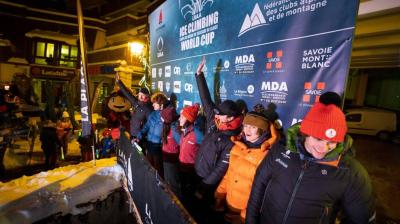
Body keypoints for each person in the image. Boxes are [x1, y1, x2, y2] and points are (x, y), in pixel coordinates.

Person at [245, 101, 375, 224]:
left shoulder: (350, 171)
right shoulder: (281, 148)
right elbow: (259, 184)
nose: (323, 148)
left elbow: (362, 219)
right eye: (318, 139)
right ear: (305, 133)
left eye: (332, 142)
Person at [194, 57, 244, 201]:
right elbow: (206, 100)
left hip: (207, 182)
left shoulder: (233, 138)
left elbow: (220, 168)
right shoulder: (214, 120)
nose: (217, 116)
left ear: (230, 117)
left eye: (221, 115)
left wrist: (205, 185)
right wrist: (199, 75)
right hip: (197, 170)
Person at [214, 111, 278, 223]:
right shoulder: (237, 147)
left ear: (263, 131)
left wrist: (244, 217)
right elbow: (228, 175)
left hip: (244, 214)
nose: (247, 130)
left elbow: (263, 193)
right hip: (228, 204)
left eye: (253, 127)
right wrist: (220, 195)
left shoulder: (266, 157)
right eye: (246, 125)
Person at [175, 104, 204, 202]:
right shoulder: (184, 130)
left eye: (182, 117)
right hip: (182, 167)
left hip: (191, 171)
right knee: (183, 191)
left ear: (188, 119)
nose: (179, 119)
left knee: (189, 196)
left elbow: (205, 149)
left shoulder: (197, 134)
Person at [137, 92, 169, 177]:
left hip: (158, 147)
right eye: (153, 103)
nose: (153, 105)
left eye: (155, 103)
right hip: (149, 145)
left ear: (161, 103)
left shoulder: (166, 116)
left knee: (158, 171)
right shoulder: (153, 114)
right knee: (149, 168)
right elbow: (146, 126)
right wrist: (140, 135)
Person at [116, 73, 153, 141]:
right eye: (140, 94)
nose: (141, 96)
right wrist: (119, 82)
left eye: (143, 95)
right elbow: (127, 93)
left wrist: (141, 136)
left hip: (140, 137)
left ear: (147, 97)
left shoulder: (148, 108)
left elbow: (149, 124)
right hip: (132, 133)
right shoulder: (136, 102)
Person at [160, 106, 181, 198]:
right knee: (168, 179)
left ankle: (177, 201)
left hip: (172, 159)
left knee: (173, 182)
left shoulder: (174, 129)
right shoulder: (166, 126)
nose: (160, 118)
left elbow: (181, 143)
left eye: (162, 116)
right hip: (165, 157)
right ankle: (169, 195)